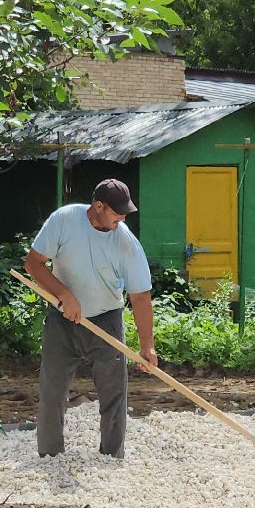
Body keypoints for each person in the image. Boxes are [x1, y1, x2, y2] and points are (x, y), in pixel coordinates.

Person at [24, 179, 157, 459]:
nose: (122, 218)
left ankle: (111, 455)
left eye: (125, 213)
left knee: (114, 394)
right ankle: (50, 456)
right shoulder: (64, 221)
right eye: (116, 212)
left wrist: (147, 346)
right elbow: (33, 263)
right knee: (52, 390)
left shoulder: (125, 242)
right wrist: (64, 294)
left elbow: (141, 296)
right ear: (98, 206)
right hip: (62, 320)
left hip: (106, 320)